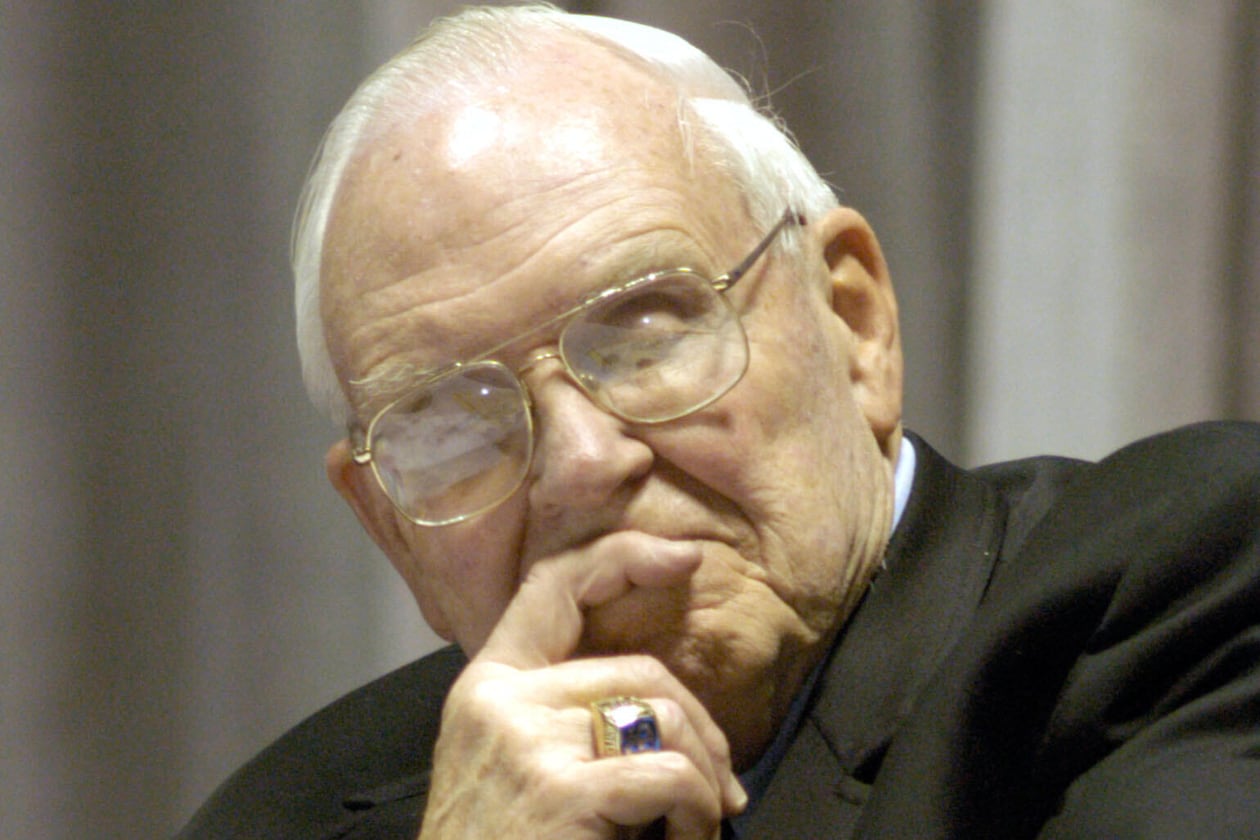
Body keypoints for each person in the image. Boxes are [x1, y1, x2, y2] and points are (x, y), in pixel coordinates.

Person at [178, 5, 1260, 838]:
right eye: (452, 424)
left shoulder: (1183, 593)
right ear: (389, 529)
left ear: (854, 325)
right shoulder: (293, 816)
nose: (583, 466)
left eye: (646, 333)